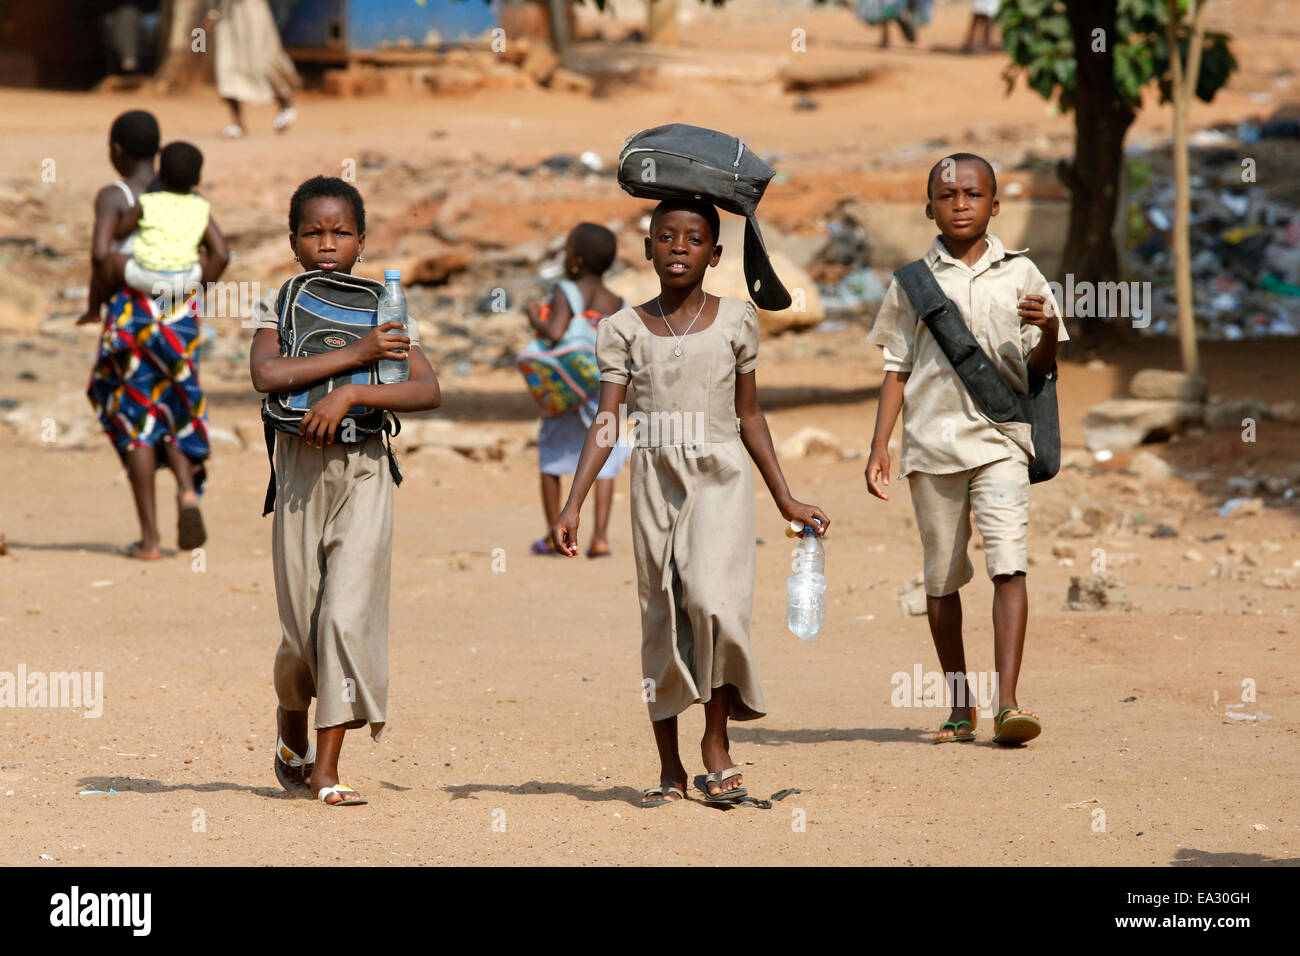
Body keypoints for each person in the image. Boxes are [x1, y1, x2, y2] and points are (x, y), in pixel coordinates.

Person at [551, 199, 829, 807]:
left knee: (715, 602)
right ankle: (669, 767)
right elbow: (607, 420)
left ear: (715, 254)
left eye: (695, 238)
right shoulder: (621, 328)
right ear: (647, 249)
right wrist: (573, 502)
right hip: (654, 476)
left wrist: (785, 497)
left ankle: (715, 743)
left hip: (722, 475)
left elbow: (750, 414)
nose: (679, 246)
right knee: (663, 616)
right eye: (666, 237)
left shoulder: (736, 320)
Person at [250, 176, 442, 807]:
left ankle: (327, 772)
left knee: (343, 615)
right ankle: (290, 719)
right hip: (300, 476)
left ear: (363, 241)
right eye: (313, 232)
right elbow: (267, 373)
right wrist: (355, 354)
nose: (327, 243)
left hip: (363, 471)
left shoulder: (386, 308)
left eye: (341, 232)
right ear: (293, 241)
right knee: (301, 628)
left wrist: (355, 392)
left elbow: (425, 389)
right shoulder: (280, 303)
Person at [864, 152, 1066, 746]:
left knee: (1010, 563)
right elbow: (895, 369)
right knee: (942, 579)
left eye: (972, 195)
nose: (960, 205)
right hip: (930, 446)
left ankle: (1007, 702)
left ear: (994, 205)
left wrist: (1050, 329)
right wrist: (881, 445)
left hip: (1002, 441)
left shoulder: (1024, 276)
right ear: (929, 208)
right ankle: (959, 705)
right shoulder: (910, 284)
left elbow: (1038, 372)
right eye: (947, 196)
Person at [83, 110, 227, 561]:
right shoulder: (188, 197)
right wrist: (188, 286)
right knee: (174, 405)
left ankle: (149, 541)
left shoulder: (118, 196)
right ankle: (187, 490)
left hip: (134, 316)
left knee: (137, 418)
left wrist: (97, 302)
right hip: (179, 313)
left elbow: (100, 254)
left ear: (116, 150)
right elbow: (220, 253)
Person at [526, 223, 630, 558]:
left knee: (552, 454)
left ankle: (553, 534)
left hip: (567, 385)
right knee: (606, 456)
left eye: (568, 249)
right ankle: (599, 538)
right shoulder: (619, 301)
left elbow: (555, 332)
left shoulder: (566, 291)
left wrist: (533, 317)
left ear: (577, 259)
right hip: (601, 386)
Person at [102, 141, 225, 308]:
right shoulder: (200, 206)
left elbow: (120, 232)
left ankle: (98, 306)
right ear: (198, 179)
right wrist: (199, 288)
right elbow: (222, 255)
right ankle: (189, 302)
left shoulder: (147, 202)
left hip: (146, 278)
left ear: (159, 176)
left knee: (111, 259)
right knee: (204, 256)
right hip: (184, 280)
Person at [203, 0, 299, 138]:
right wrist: (213, 12)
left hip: (251, 12)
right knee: (225, 65)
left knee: (262, 63)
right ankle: (238, 123)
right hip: (227, 14)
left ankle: (285, 102)